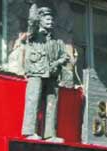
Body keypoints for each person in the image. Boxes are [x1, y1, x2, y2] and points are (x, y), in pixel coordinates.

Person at [22, 1, 69, 142]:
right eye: (48, 19)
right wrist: (33, 5)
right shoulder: (34, 34)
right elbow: (32, 21)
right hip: (36, 72)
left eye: (52, 19)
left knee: (51, 103)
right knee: (33, 99)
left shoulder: (57, 41)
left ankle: (50, 134)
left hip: (52, 75)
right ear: (41, 21)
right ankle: (30, 132)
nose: (51, 21)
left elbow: (65, 56)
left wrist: (58, 63)